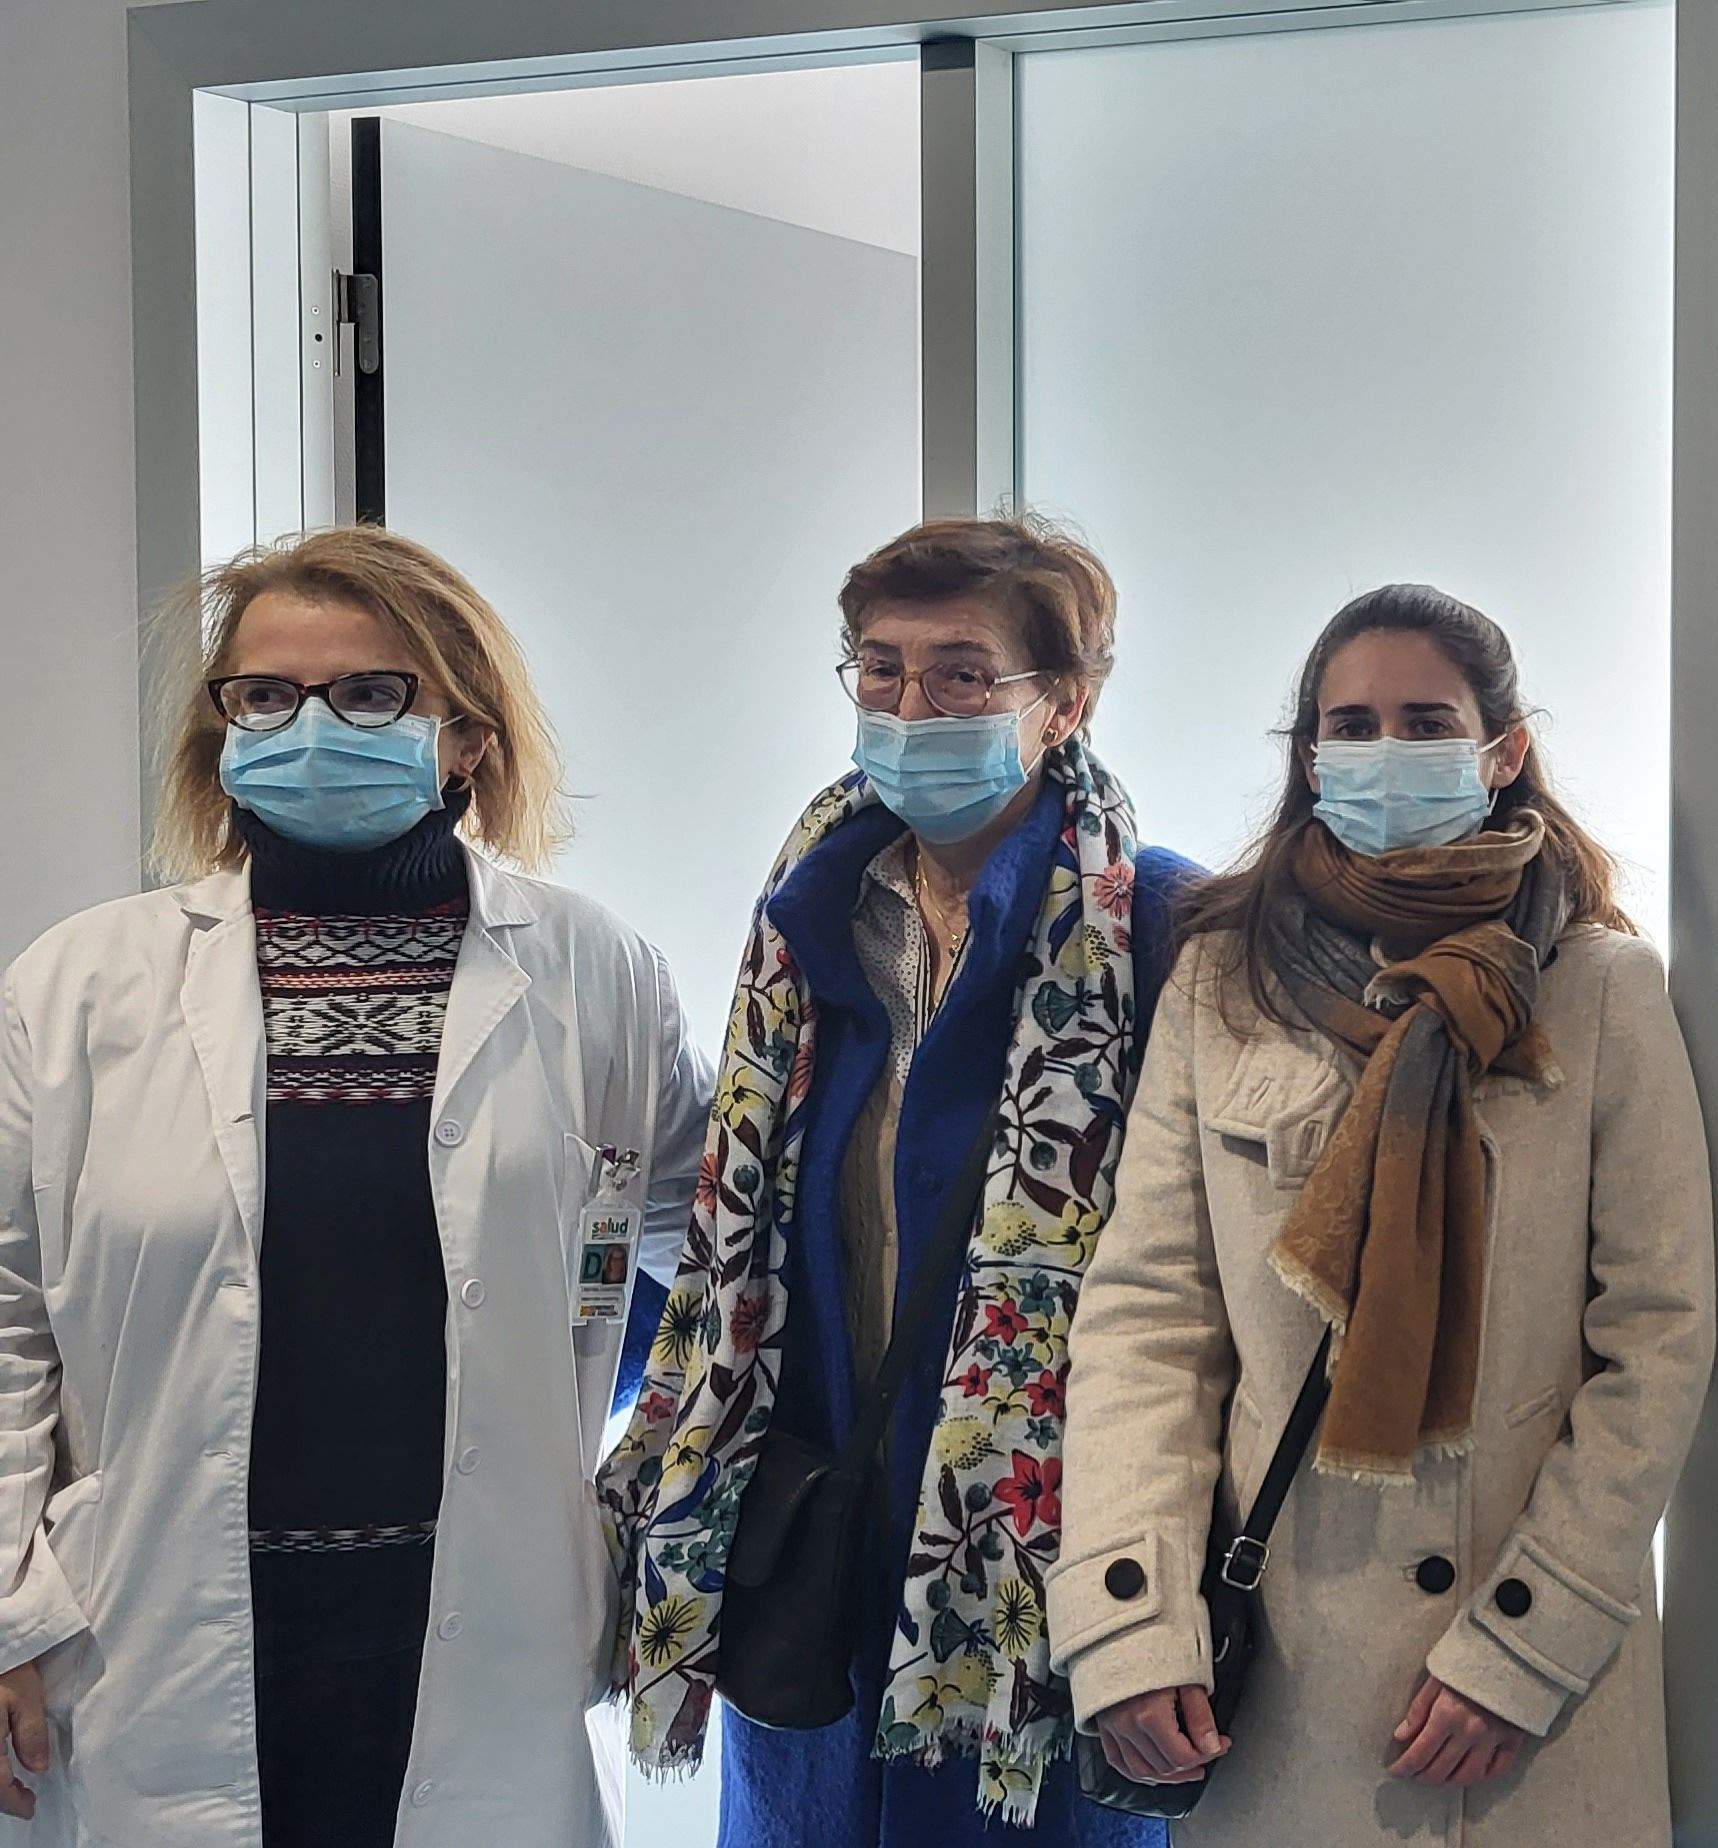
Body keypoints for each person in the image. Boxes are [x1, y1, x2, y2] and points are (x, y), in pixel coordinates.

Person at [0, 528, 706, 1844]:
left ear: (467, 737)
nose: (308, 729)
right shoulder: (80, 986)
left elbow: (724, 1268)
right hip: (152, 1620)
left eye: (370, 694)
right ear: (221, 727)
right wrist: (4, 1613)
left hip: (483, 1616)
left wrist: (639, 1513)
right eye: (266, 696)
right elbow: (4, 1319)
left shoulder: (592, 973)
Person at [1047, 584, 1712, 1847]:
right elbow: (1150, 1320)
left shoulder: (1597, 989)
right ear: (1307, 753)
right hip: (1283, 1682)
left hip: (1521, 1715)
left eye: (1423, 721)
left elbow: (1657, 1342)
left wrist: (1528, 1643)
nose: (1382, 753)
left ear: (1501, 749)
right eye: (1349, 725)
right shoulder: (1220, 978)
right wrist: (1130, 1624)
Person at [601, 516, 1194, 1846]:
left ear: (1066, 705)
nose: (913, 704)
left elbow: (1204, 1287)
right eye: (882, 668)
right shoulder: (806, 920)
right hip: (810, 1548)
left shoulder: (1158, 928)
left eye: (965, 673)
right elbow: (722, 1247)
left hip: (1046, 1577)